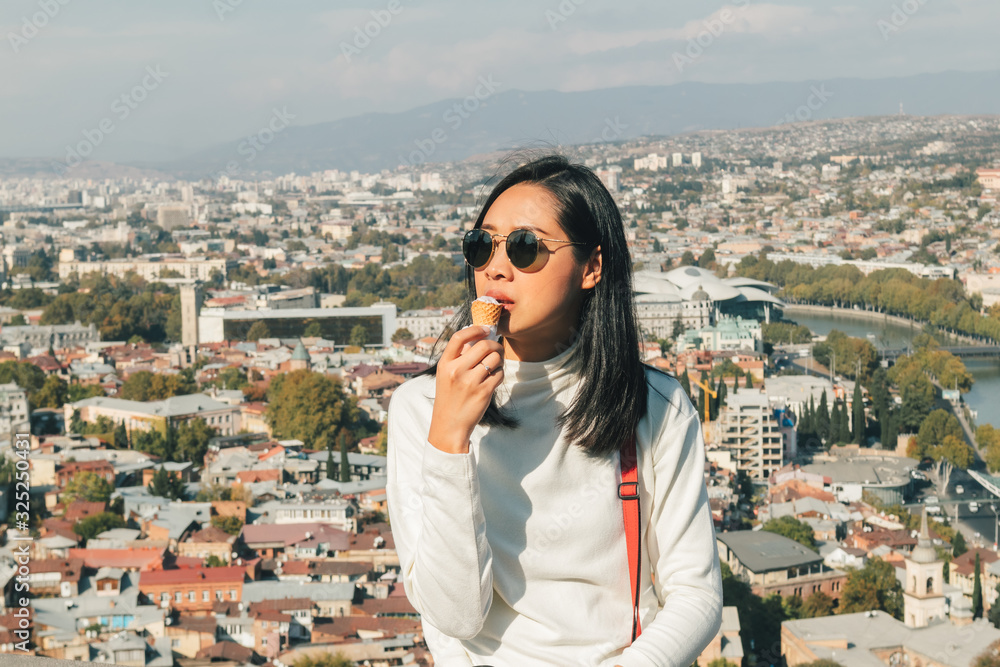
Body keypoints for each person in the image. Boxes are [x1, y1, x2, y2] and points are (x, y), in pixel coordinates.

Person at [386, 154, 722, 666]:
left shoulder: (654, 405)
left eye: (525, 248)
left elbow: (696, 596)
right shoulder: (421, 408)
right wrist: (449, 440)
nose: (495, 267)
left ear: (592, 268)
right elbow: (454, 617)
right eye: (482, 246)